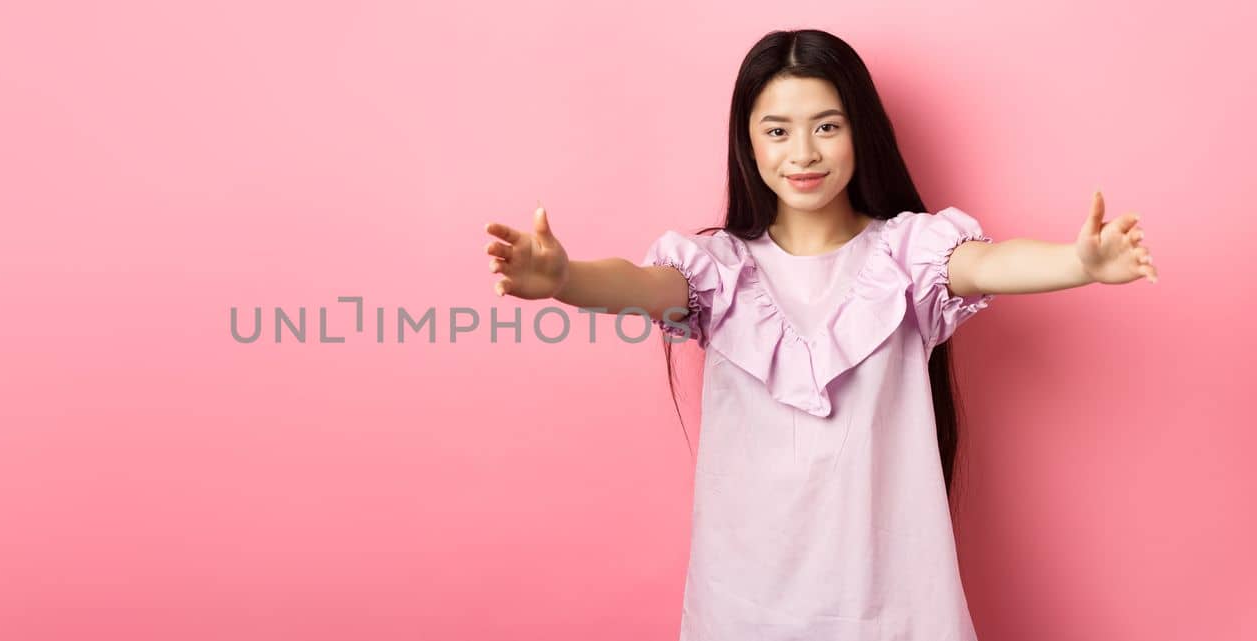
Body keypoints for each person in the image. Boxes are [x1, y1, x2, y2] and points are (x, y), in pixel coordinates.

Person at [479, 28, 1157, 640]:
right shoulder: (719, 270)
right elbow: (637, 283)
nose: (802, 153)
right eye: (777, 130)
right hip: (745, 596)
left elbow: (989, 263)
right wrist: (565, 278)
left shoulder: (906, 255)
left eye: (826, 126)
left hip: (892, 598)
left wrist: (1079, 262)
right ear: (746, 139)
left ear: (861, 131)